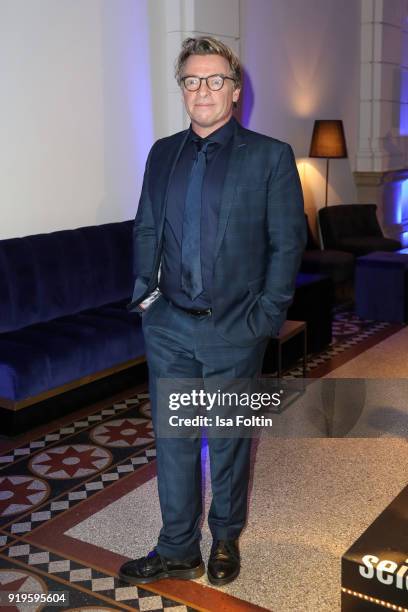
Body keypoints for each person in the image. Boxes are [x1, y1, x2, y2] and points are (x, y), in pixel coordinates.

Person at [119, 36, 306, 587]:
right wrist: (146, 299)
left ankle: (225, 537)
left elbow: (286, 243)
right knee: (174, 440)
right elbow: (147, 226)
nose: (203, 89)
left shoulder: (269, 156)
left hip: (236, 327)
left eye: (215, 79)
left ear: (235, 88)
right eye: (192, 80)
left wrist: (266, 317)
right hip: (170, 324)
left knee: (226, 439)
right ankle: (178, 546)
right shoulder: (162, 152)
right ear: (182, 89)